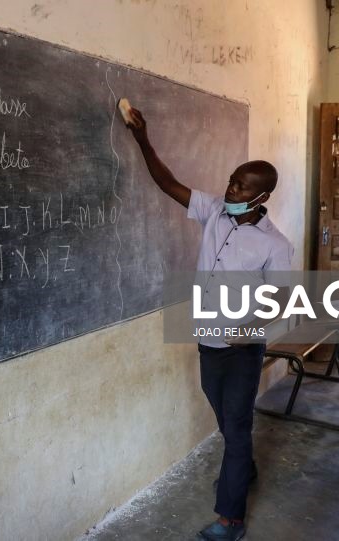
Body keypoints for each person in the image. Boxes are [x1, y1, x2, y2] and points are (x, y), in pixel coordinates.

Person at [125, 106, 294, 541]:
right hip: (208, 341)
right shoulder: (214, 211)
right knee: (224, 416)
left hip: (242, 349)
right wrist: (143, 139)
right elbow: (166, 184)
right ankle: (246, 464)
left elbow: (279, 297)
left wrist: (248, 326)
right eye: (233, 179)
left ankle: (230, 521)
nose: (230, 186)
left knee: (236, 426)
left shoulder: (275, 245)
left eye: (241, 185)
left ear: (261, 197)